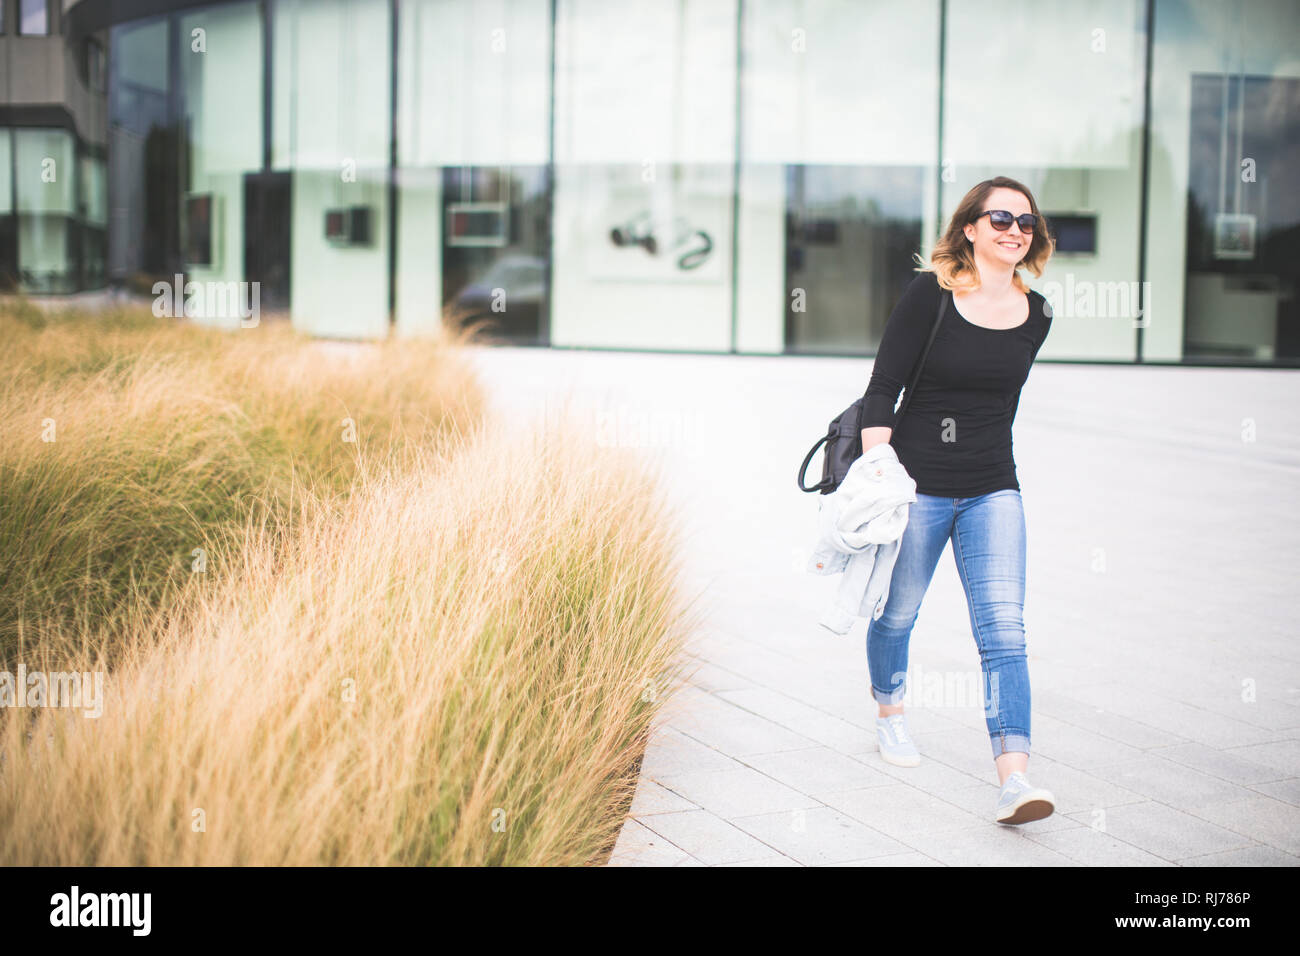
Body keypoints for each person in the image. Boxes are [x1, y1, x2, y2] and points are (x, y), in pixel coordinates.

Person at [858, 176, 1056, 825]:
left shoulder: (1038, 313)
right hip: (917, 484)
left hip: (994, 485)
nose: (1013, 230)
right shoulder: (931, 294)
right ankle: (890, 713)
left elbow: (1001, 405)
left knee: (1004, 631)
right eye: (999, 218)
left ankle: (1014, 778)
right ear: (969, 227)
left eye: (1025, 222)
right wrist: (881, 470)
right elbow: (884, 385)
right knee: (898, 613)